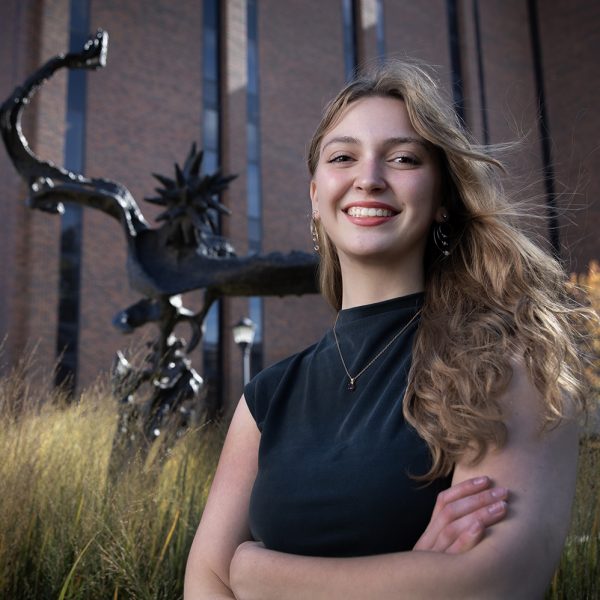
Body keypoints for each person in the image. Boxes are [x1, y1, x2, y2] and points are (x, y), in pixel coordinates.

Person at [184, 60, 589, 599]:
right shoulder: (266, 399)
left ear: (443, 197)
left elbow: (493, 585)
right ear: (314, 194)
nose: (368, 177)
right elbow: (204, 585)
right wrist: (412, 574)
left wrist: (259, 575)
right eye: (343, 157)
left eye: (402, 158)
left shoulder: (508, 360)